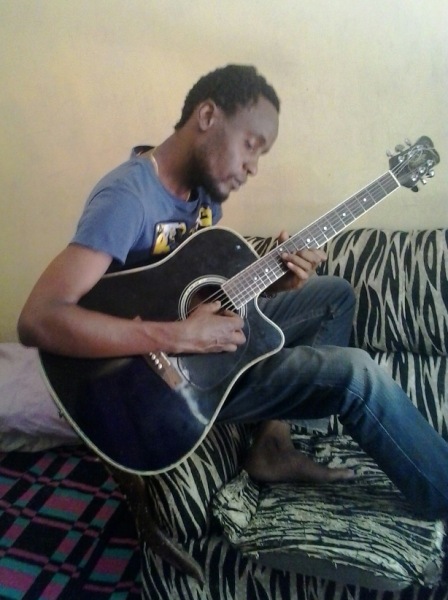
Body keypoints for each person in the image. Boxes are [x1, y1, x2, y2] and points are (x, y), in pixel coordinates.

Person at [18, 65, 448, 518]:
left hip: (203, 348)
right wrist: (179, 336)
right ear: (207, 116)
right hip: (165, 387)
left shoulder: (203, 196)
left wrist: (274, 281)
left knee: (334, 296)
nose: (253, 168)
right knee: (357, 373)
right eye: (251, 145)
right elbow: (39, 318)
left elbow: (195, 291)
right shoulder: (128, 198)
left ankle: (274, 444)